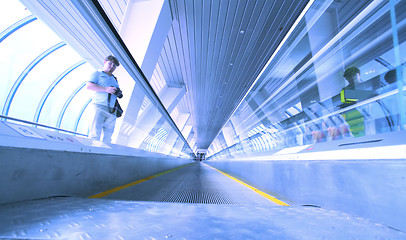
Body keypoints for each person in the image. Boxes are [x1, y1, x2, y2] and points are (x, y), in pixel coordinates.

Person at [86, 55, 122, 142]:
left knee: (108, 135)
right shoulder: (97, 74)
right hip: (99, 106)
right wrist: (106, 89)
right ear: (105, 62)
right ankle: (92, 152)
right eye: (110, 64)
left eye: (114, 66)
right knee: (95, 133)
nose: (112, 66)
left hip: (112, 110)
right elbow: (89, 86)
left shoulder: (114, 79)